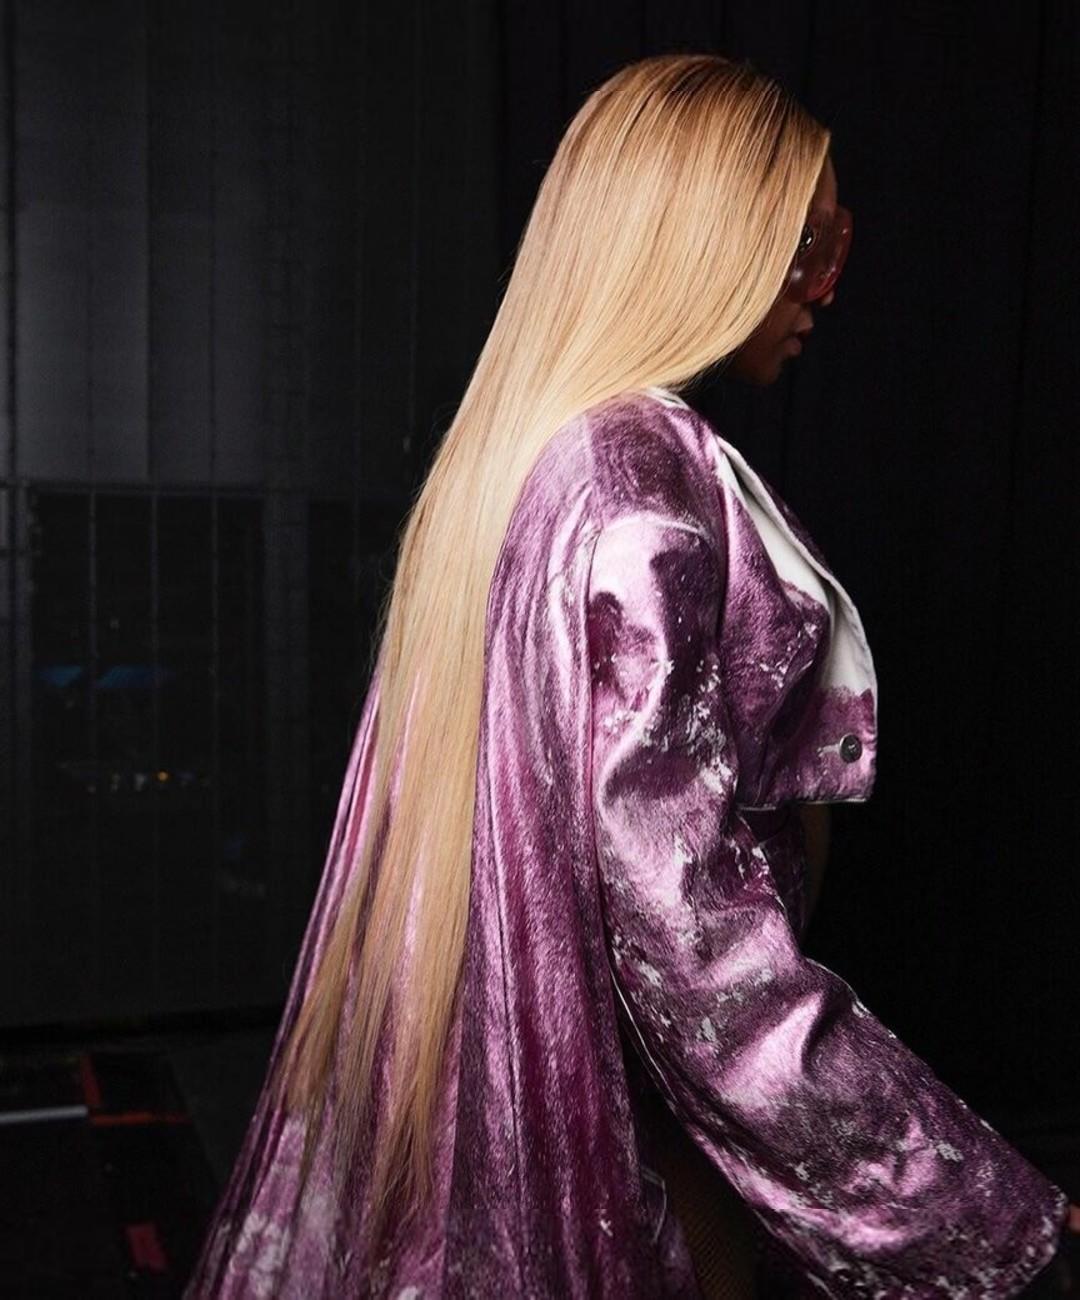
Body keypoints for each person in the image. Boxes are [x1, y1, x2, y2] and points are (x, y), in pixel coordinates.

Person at [183, 53, 1079, 1297]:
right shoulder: (633, 488)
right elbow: (687, 935)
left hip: (615, 1108)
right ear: (704, 239)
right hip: (656, 1133)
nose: (826, 288)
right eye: (804, 246)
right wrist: (971, 1209)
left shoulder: (549, 458)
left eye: (835, 248)